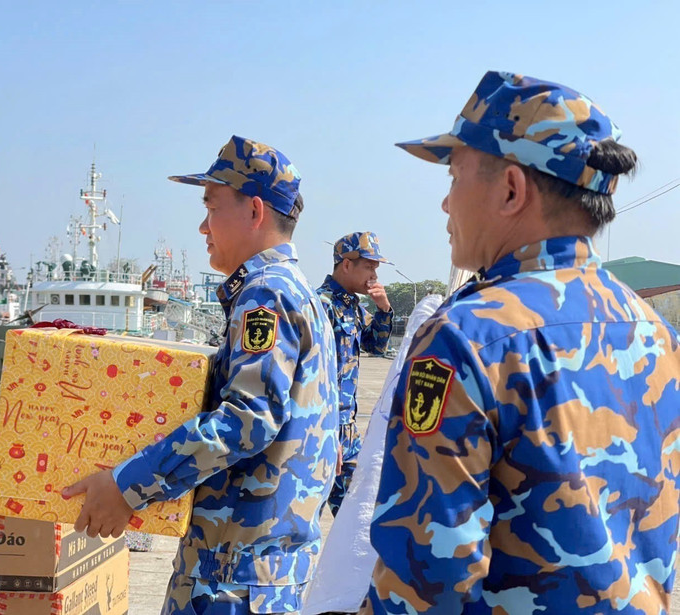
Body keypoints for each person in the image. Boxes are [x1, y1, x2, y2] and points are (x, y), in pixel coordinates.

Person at [362, 71, 680, 614]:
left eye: (454, 177)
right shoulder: (655, 331)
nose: (445, 205)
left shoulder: (467, 338)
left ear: (511, 189)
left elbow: (428, 582)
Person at [63, 135, 339, 615]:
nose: (202, 226)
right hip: (259, 574)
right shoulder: (298, 291)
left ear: (254, 211)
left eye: (211, 207)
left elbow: (247, 419)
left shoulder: (265, 295)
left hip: (231, 582)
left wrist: (127, 485)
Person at [317, 232, 393, 515]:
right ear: (347, 265)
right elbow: (315, 375)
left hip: (348, 430)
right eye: (369, 266)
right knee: (307, 515)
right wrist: (326, 431)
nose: (374, 275)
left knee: (355, 517)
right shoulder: (321, 305)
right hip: (323, 427)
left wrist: (383, 309)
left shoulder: (354, 307)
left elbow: (376, 346)